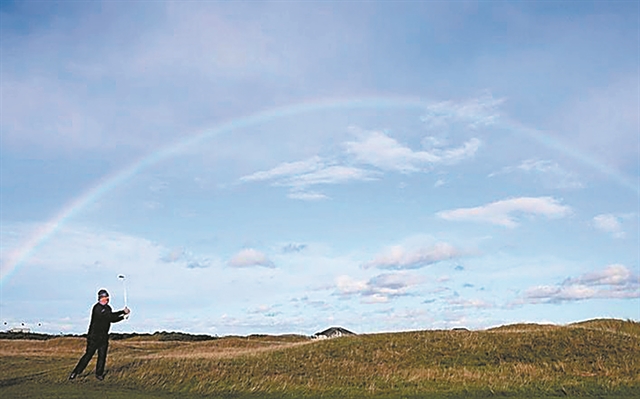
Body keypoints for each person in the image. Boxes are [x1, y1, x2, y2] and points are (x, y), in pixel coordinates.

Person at [69, 289, 131, 381]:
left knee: (102, 356)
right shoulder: (97, 308)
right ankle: (76, 372)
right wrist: (122, 313)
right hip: (94, 336)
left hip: (104, 336)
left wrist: (122, 315)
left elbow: (112, 318)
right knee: (88, 355)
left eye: (107, 297)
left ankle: (99, 374)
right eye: (105, 297)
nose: (107, 299)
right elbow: (109, 317)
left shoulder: (108, 308)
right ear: (100, 298)